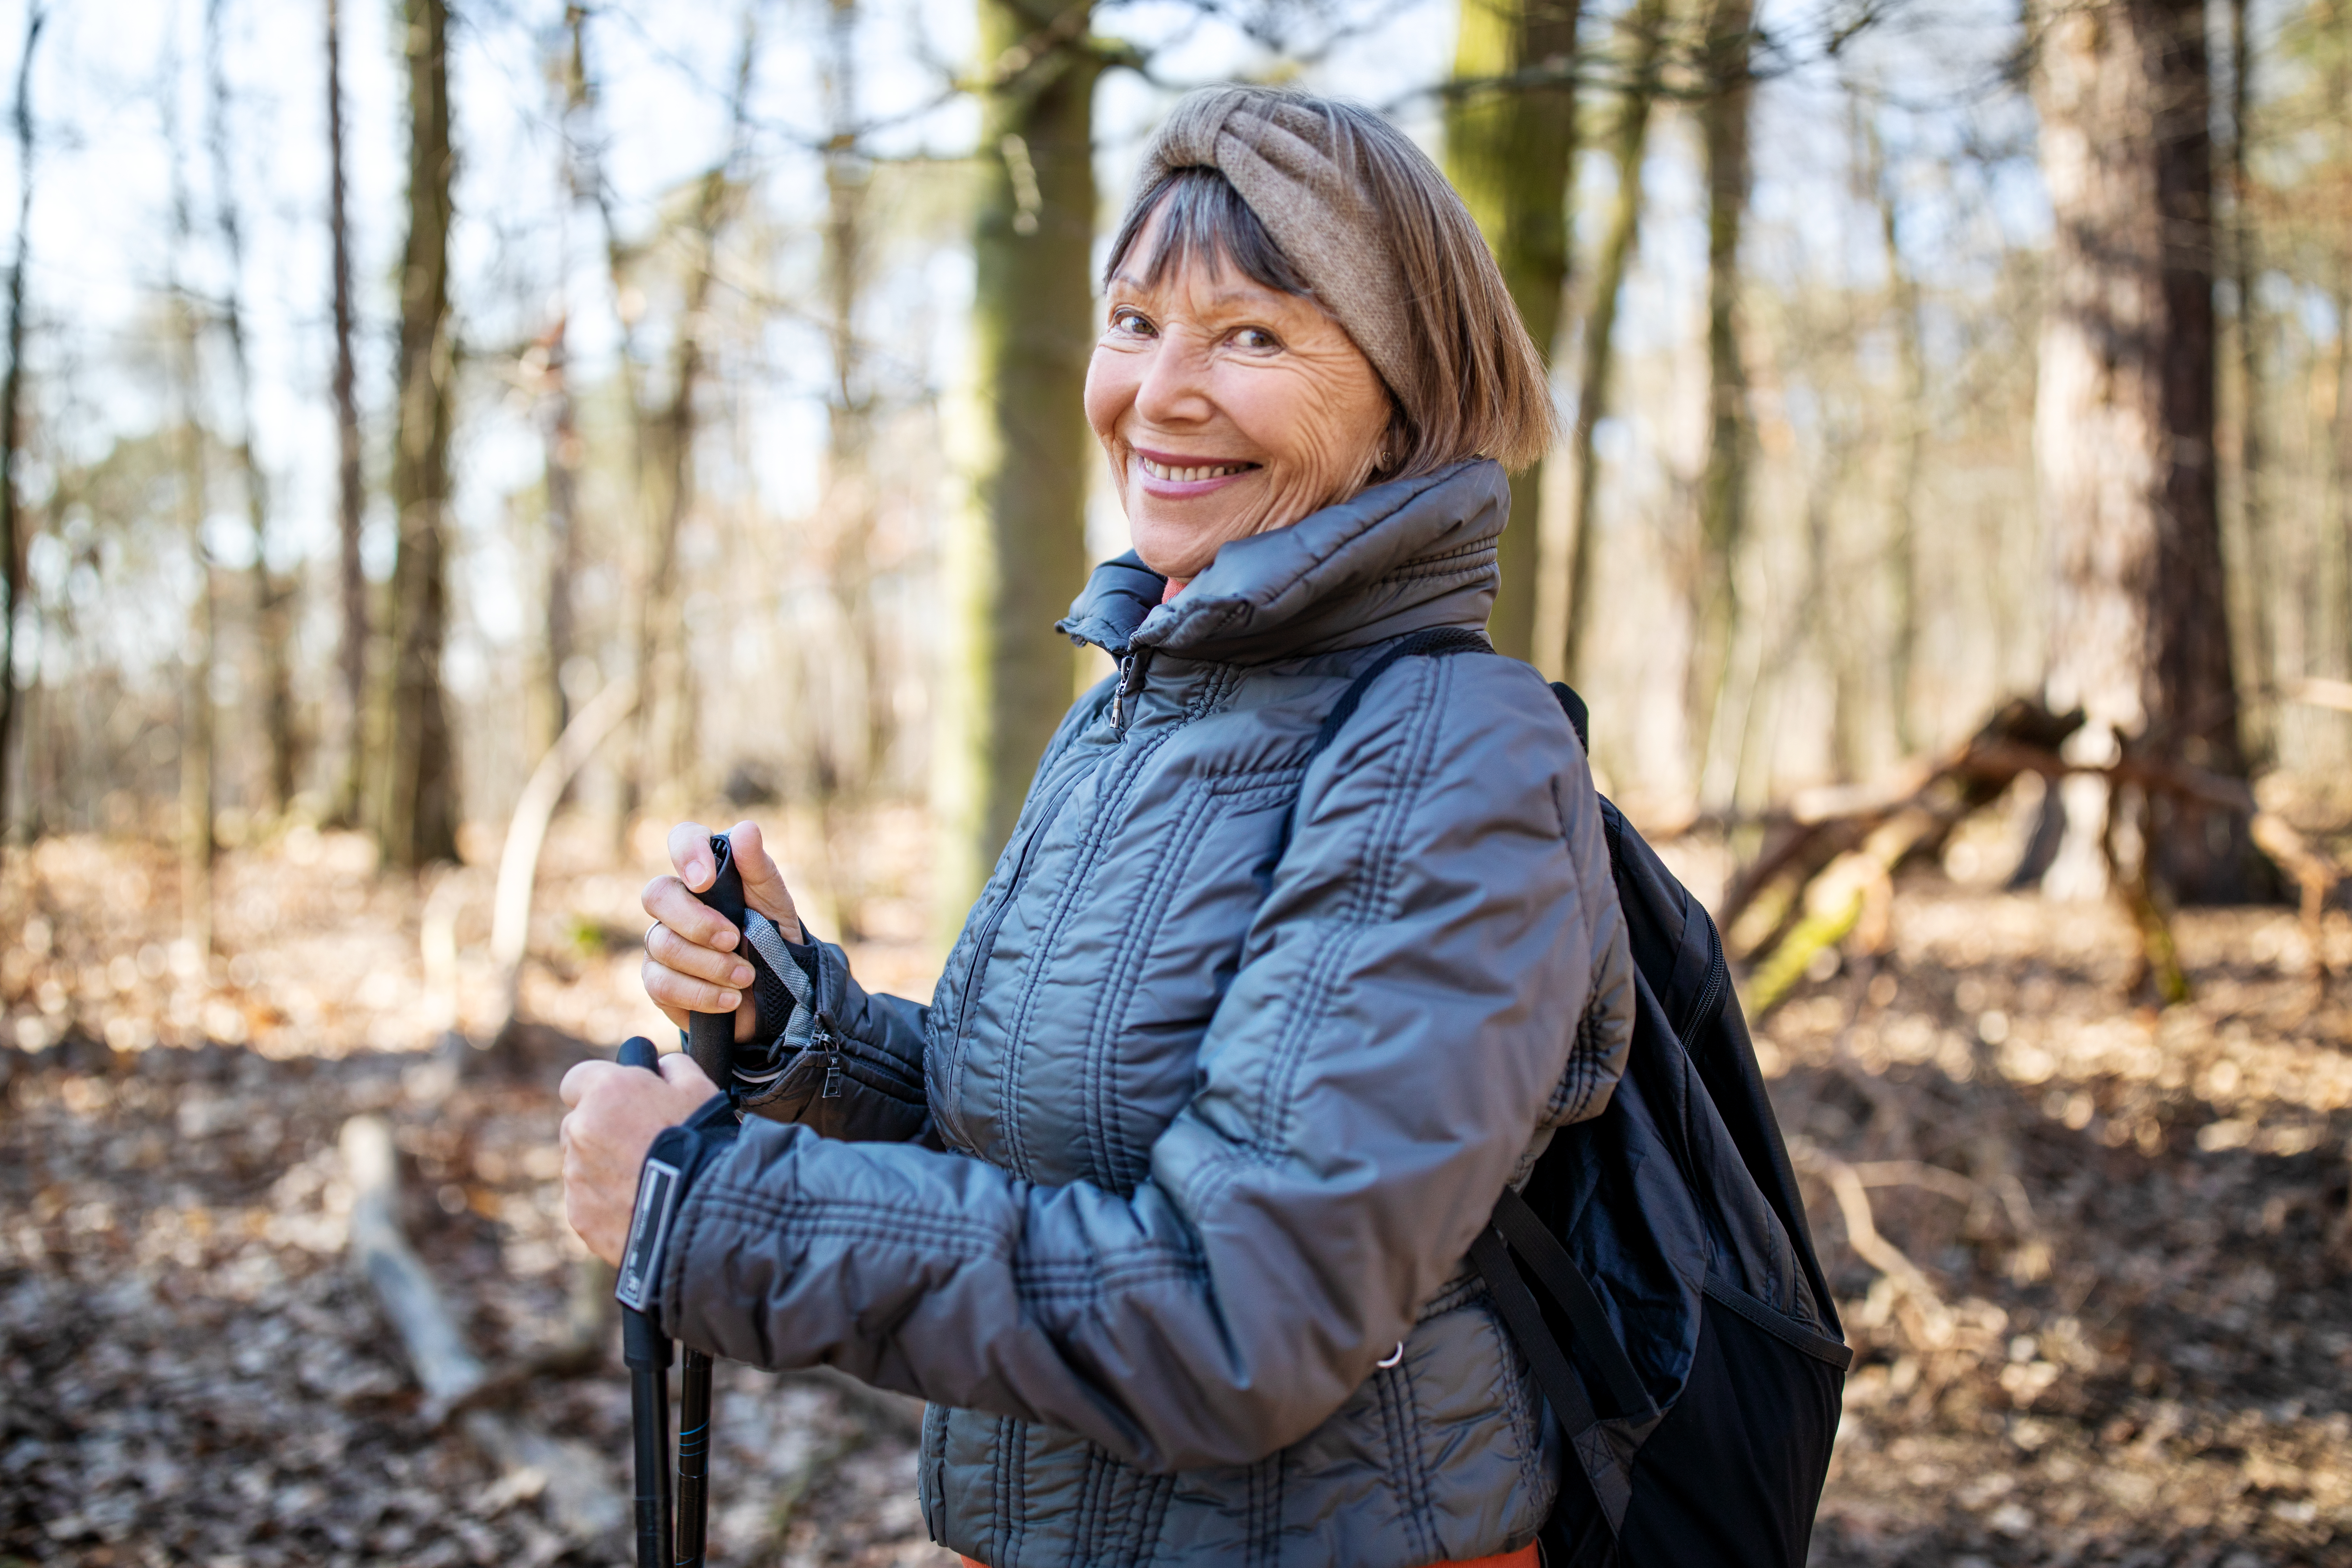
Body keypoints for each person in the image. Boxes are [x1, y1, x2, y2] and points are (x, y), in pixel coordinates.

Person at [560, 85, 1634, 1568]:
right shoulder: (1147, 699)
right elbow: (1051, 1140)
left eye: (1252, 335)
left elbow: (1243, 1315)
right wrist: (802, 1024)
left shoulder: (1451, 756)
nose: (1162, 390)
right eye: (1134, 321)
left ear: (1405, 392)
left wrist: (720, 1215)